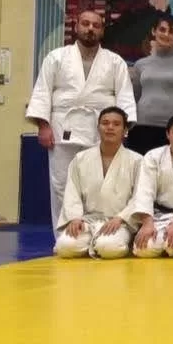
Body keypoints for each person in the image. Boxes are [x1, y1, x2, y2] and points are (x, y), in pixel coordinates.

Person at [26, 9, 137, 226]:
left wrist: (122, 130)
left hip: (100, 130)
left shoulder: (115, 61)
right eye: (85, 24)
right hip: (62, 128)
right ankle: (64, 234)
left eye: (96, 25)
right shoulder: (56, 57)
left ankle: (94, 232)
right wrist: (43, 125)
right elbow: (42, 91)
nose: (90, 29)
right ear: (76, 26)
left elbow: (124, 95)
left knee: (96, 183)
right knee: (61, 183)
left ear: (102, 31)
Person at [53, 107, 142, 259]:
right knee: (64, 247)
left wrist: (121, 218)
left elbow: (140, 196)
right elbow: (72, 193)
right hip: (88, 221)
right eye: (105, 123)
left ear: (125, 130)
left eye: (116, 124)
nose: (110, 127)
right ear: (98, 128)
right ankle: (93, 242)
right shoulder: (80, 159)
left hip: (119, 223)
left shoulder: (137, 161)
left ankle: (106, 243)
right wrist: (75, 218)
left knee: (108, 248)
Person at [130, 113, 173, 258]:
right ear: (168, 134)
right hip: (161, 215)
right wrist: (147, 223)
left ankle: (172, 240)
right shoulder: (153, 156)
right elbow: (144, 191)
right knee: (143, 249)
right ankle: (165, 239)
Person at [127, 15, 173, 155]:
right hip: (140, 128)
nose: (166, 34)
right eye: (162, 29)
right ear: (154, 31)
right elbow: (133, 98)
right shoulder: (140, 64)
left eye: (171, 31)